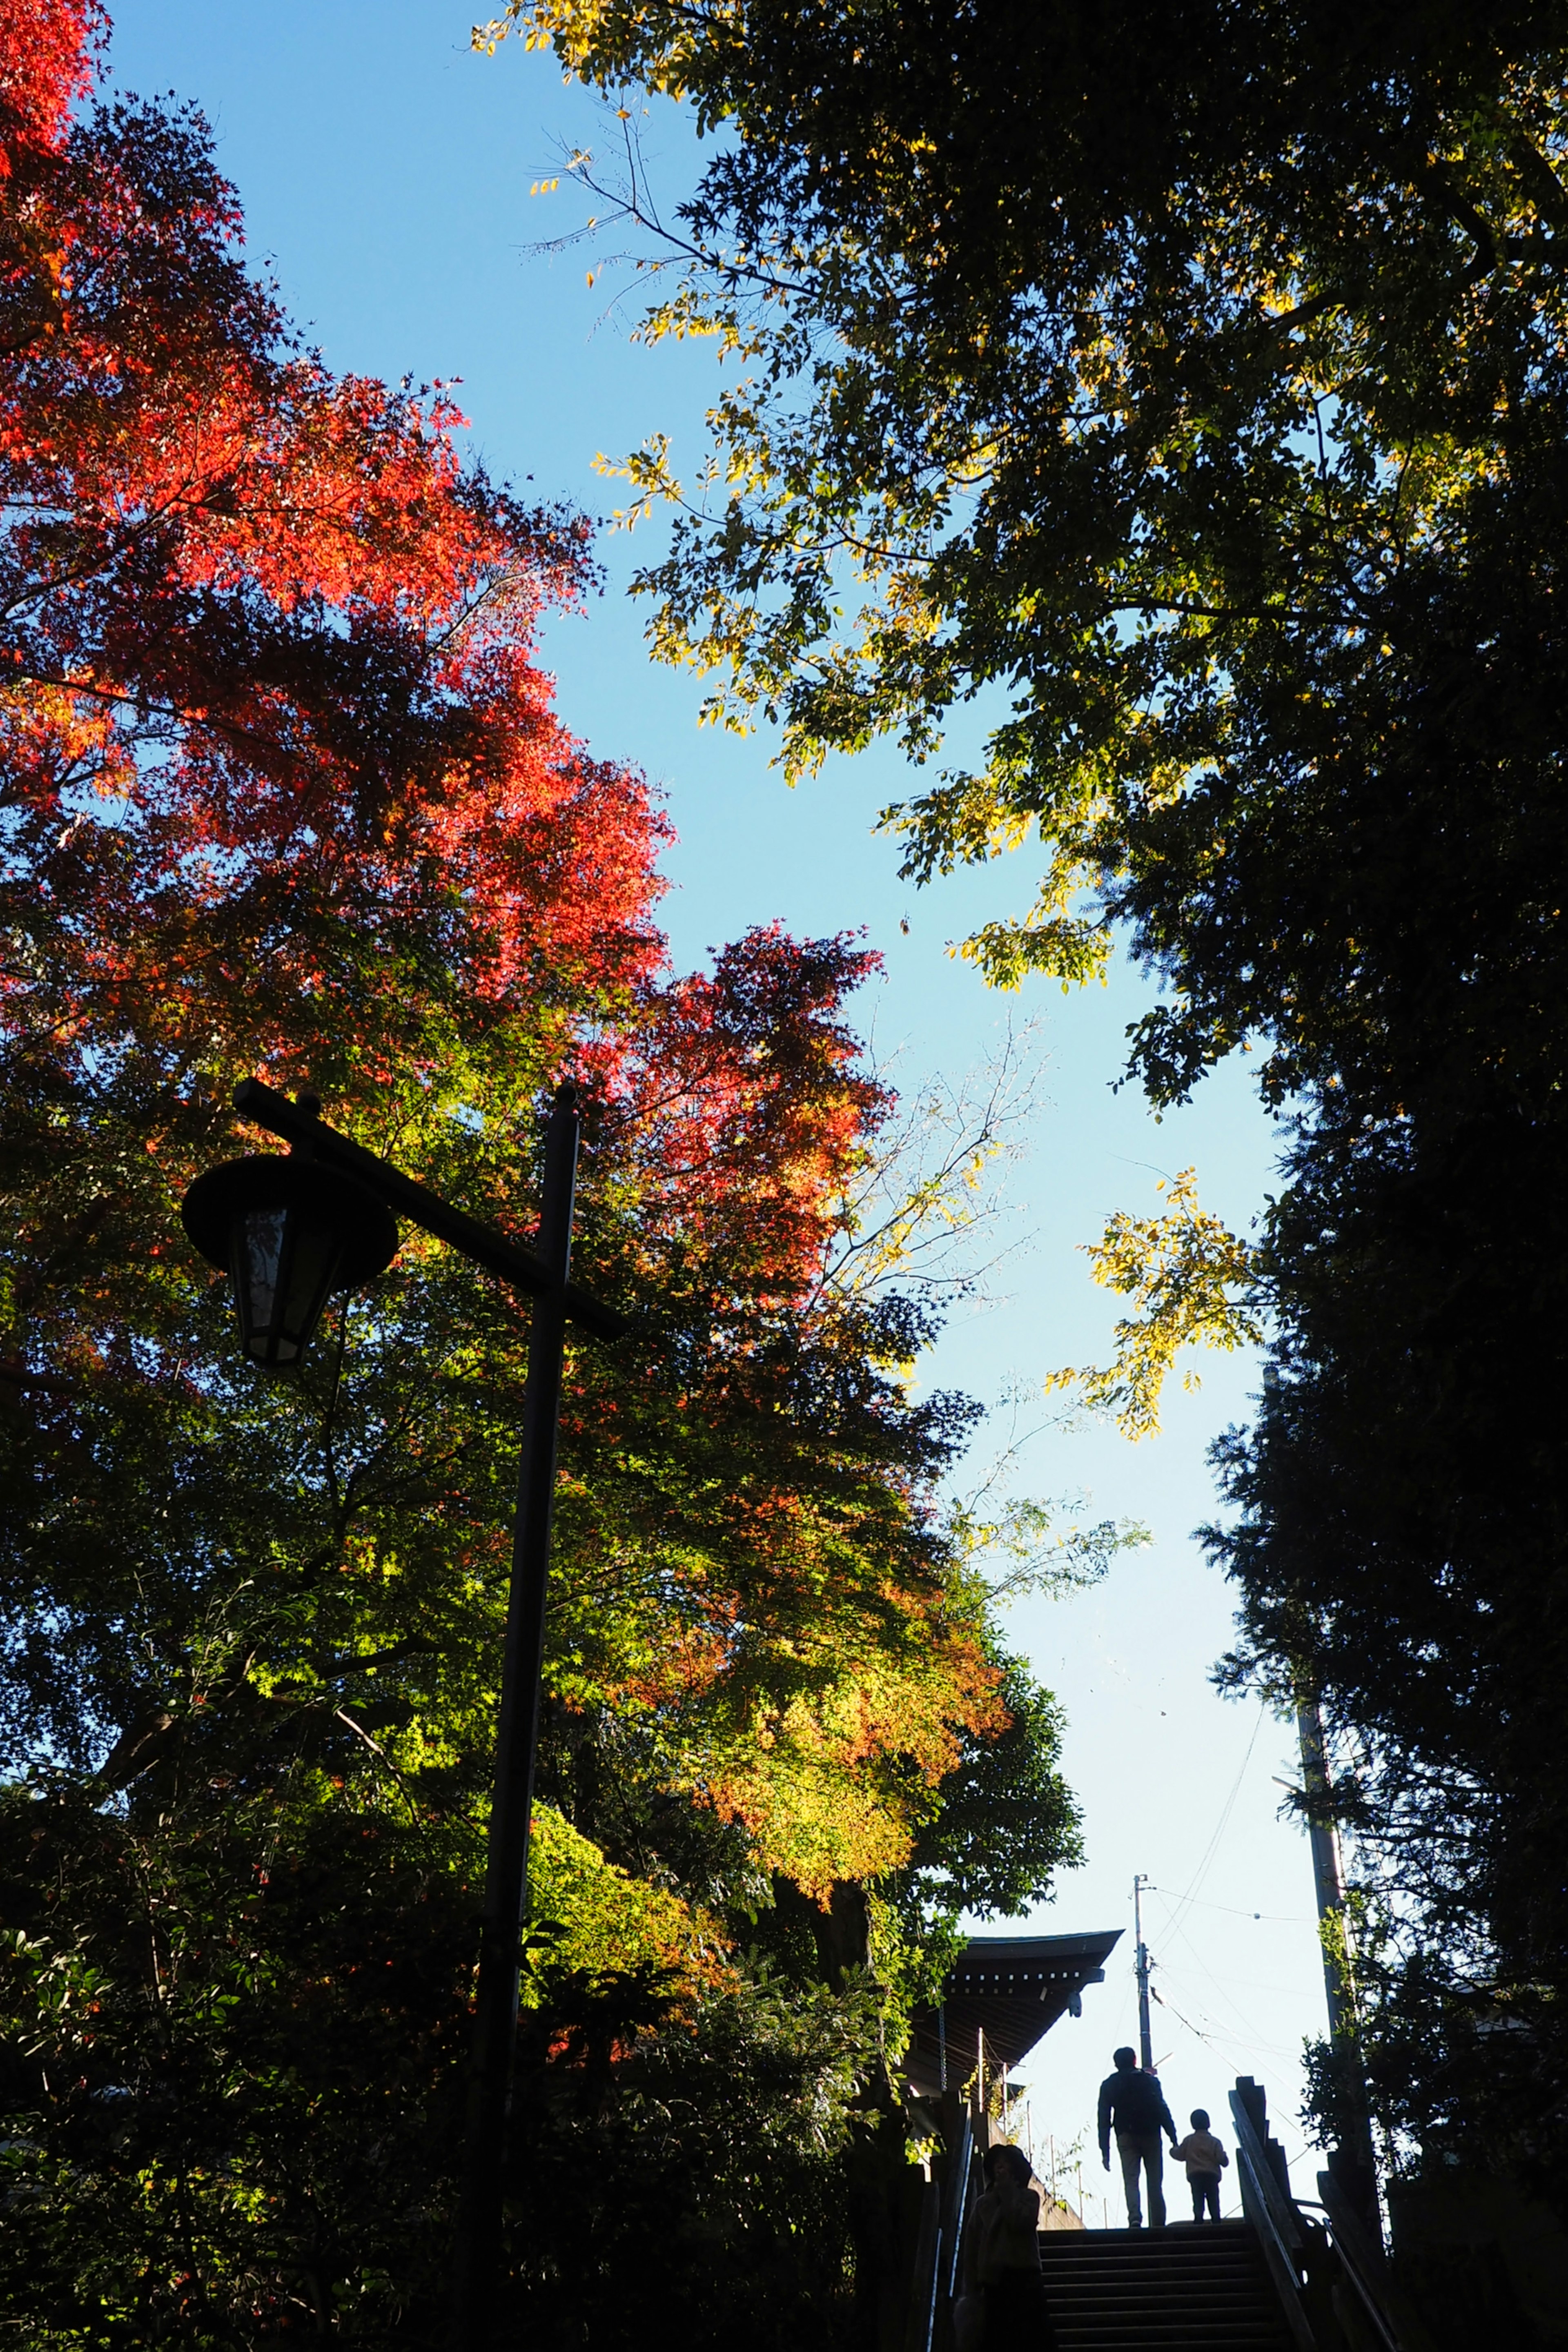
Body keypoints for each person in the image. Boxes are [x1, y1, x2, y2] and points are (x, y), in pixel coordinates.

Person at [960, 2142, 1057, 2350]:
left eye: (1005, 2164)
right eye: (997, 2164)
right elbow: (972, 2247)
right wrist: (973, 2286)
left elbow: (1020, 2222)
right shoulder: (982, 2205)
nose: (1000, 2169)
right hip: (995, 2282)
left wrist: (1008, 2195)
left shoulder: (1029, 2198)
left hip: (1025, 2278)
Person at [1097, 2046, 1178, 2230]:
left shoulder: (1109, 2085)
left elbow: (1103, 2119)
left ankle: (1135, 2218)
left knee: (1131, 2180)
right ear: (1135, 2060)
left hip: (1125, 2135)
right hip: (1151, 2133)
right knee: (1155, 2181)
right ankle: (1159, 2221)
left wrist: (1105, 2151)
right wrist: (1172, 2134)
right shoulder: (1149, 2082)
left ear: (1116, 2064)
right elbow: (1161, 2107)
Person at [1171, 2107, 1229, 2223]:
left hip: (1195, 2175)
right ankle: (1216, 2219)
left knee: (1198, 2199)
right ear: (1209, 2123)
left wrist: (1173, 2149)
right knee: (1214, 2199)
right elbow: (1221, 2159)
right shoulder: (1215, 2142)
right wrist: (1225, 2159)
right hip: (1211, 2175)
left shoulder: (1189, 2141)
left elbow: (1180, 2154)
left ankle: (1198, 2219)